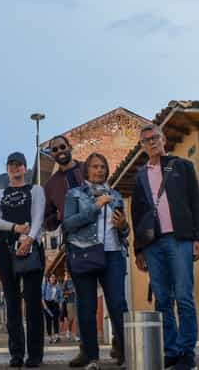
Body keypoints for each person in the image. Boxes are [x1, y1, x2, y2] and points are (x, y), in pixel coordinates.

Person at [131, 124, 199, 370]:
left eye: (155, 138)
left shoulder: (182, 166)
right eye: (146, 140)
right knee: (162, 300)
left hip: (180, 239)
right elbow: (137, 213)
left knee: (184, 297)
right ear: (142, 146)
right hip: (153, 244)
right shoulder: (140, 174)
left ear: (163, 139)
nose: (152, 142)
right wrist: (139, 249)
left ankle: (187, 353)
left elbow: (196, 201)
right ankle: (172, 351)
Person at [62, 152, 130, 370]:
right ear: (87, 170)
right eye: (95, 166)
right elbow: (68, 224)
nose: (100, 170)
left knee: (118, 304)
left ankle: (126, 352)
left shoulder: (116, 195)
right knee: (87, 306)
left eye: (103, 166)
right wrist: (95, 206)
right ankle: (91, 356)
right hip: (84, 252)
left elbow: (124, 231)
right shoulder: (74, 194)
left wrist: (123, 227)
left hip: (113, 253)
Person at [43, 135, 95, 367]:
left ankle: (121, 347)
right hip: (74, 244)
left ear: (70, 148)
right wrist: (59, 217)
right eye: (55, 149)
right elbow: (48, 220)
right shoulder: (52, 184)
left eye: (63, 147)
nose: (60, 151)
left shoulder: (87, 168)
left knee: (115, 299)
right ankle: (87, 351)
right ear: (52, 154)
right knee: (84, 300)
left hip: (102, 241)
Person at [0, 152, 46, 368]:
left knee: (33, 304)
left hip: (31, 249)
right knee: (12, 304)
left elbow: (38, 216)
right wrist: (14, 228)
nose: (15, 168)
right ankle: (16, 353)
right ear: (7, 169)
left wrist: (29, 238)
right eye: (11, 165)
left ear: (25, 168)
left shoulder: (35, 190)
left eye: (19, 165)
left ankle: (35, 355)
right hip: (5, 251)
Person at [41, 274, 63, 344]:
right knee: (48, 321)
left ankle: (56, 336)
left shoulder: (58, 286)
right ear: (49, 278)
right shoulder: (45, 285)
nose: (53, 278)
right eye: (52, 277)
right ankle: (50, 337)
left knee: (56, 320)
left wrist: (60, 306)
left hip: (55, 304)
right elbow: (42, 296)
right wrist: (44, 306)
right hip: (47, 304)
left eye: (54, 277)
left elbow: (61, 297)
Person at [61, 271, 78, 341]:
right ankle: (69, 331)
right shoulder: (66, 282)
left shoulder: (77, 280)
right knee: (70, 318)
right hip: (70, 302)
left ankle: (77, 335)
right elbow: (62, 292)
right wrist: (70, 292)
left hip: (77, 301)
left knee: (77, 319)